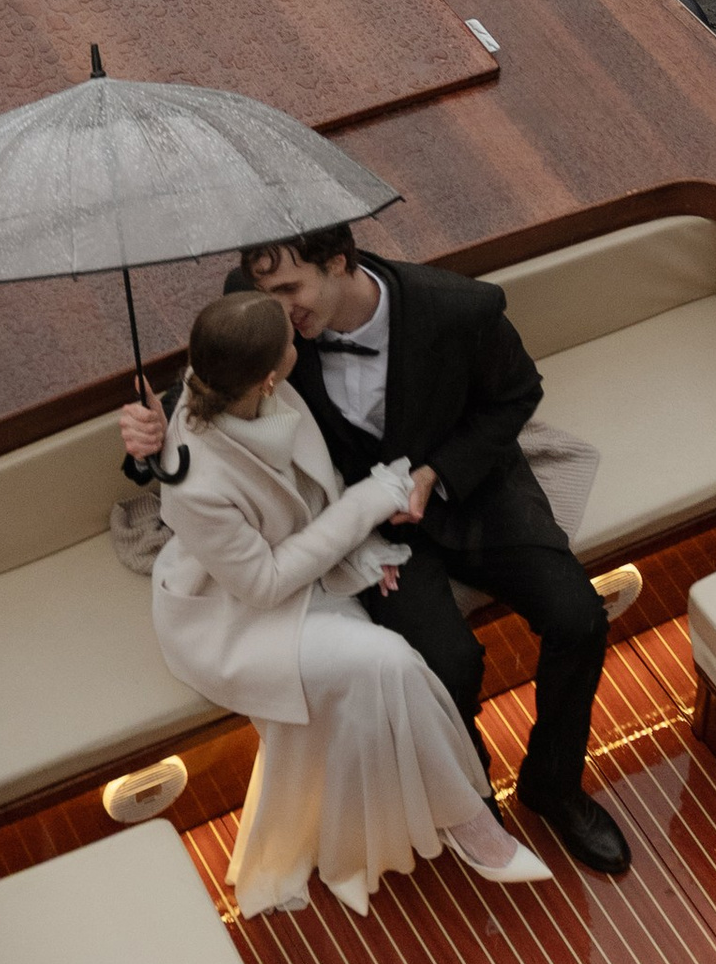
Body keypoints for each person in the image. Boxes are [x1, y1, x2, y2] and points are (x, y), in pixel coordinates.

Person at [123, 220, 629, 877]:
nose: (278, 308)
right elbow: (208, 394)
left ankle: (554, 785)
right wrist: (146, 444)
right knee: (446, 662)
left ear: (339, 262)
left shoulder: (459, 306)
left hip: (472, 493)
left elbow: (517, 395)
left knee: (579, 617)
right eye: (266, 293)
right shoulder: (261, 309)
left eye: (289, 289)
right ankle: (471, 795)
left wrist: (436, 474)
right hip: (367, 523)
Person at [145, 288, 548, 922]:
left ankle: (389, 831)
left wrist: (358, 550)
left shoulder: (248, 385)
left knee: (381, 675)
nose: (300, 335)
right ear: (268, 374)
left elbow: (316, 487)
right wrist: (369, 505)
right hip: (237, 619)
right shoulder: (195, 481)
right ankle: (466, 819)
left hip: (301, 572)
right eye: (289, 337)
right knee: (389, 661)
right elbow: (263, 585)